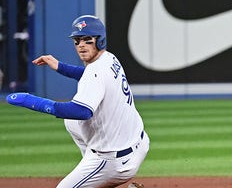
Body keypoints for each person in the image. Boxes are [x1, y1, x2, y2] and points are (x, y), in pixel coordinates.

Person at [6, 15, 149, 187]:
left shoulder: (96, 72)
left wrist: (31, 101)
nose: (81, 45)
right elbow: (89, 77)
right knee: (72, 123)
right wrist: (59, 66)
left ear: (100, 40)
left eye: (87, 40)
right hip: (138, 143)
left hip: (114, 162)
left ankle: (98, 174)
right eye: (77, 40)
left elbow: (80, 111)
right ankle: (93, 175)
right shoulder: (110, 59)